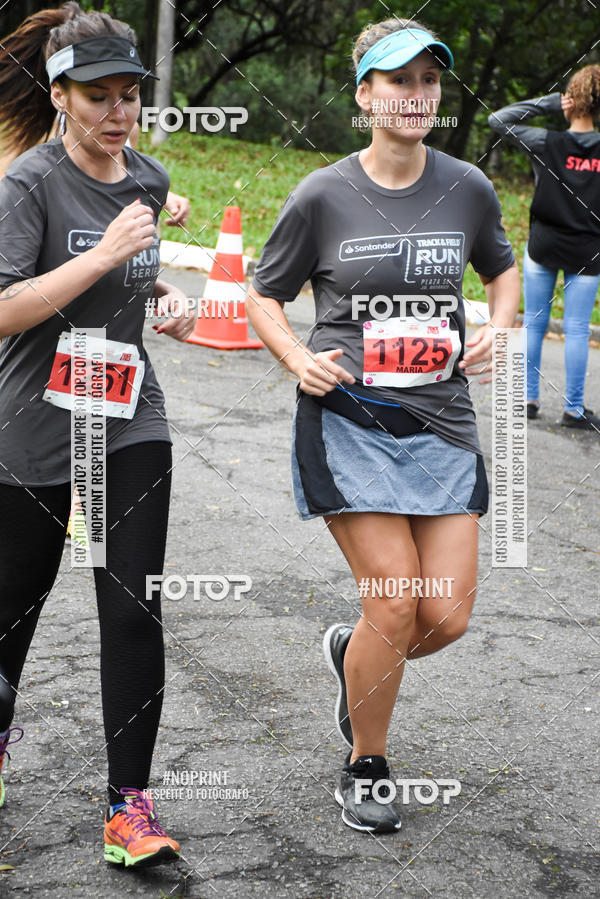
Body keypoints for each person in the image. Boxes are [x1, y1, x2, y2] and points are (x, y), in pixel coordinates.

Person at [247, 18, 519, 834]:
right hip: (350, 418)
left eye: (429, 79)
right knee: (397, 599)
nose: (417, 95)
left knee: (447, 614)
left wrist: (499, 329)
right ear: (365, 94)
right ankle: (367, 760)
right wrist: (298, 356)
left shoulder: (467, 185)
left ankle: (352, 652)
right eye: (398, 81)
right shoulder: (322, 194)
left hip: (442, 419)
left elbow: (502, 272)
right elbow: (264, 294)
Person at [0, 2, 197, 867]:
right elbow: (5, 309)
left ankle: (128, 810)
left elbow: (131, 279)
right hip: (31, 422)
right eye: (99, 96)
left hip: (125, 417)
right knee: (13, 612)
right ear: (60, 96)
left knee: (131, 605)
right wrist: (105, 255)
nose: (119, 113)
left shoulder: (146, 179)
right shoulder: (26, 186)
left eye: (131, 94)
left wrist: (163, 299)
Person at [489, 66, 600, 430]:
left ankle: (527, 400)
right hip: (588, 248)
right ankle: (573, 409)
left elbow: (498, 120)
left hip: (544, 244)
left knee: (534, 322)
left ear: (571, 103)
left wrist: (550, 103)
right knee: (578, 328)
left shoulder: (544, 141)